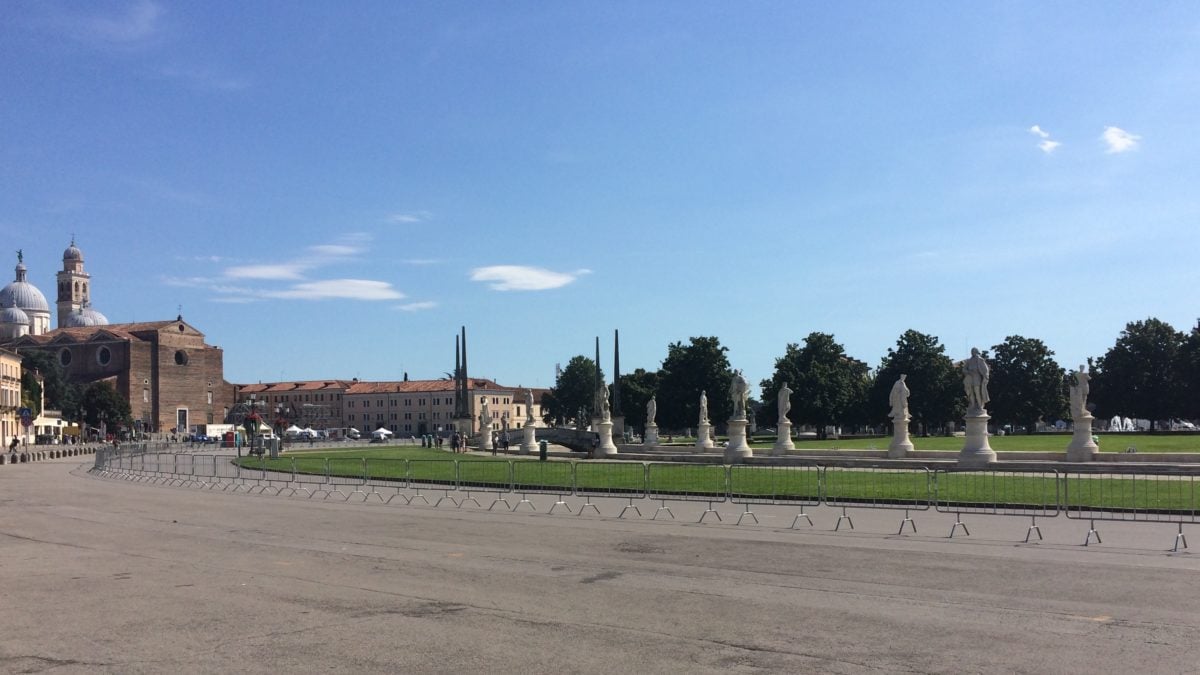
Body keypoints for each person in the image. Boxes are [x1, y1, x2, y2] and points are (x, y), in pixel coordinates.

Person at [963, 348, 990, 413]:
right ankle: (973, 405)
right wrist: (968, 372)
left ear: (976, 352)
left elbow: (985, 370)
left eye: (973, 351)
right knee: (971, 392)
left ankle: (980, 405)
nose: (972, 352)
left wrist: (985, 377)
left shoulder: (980, 360)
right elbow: (964, 369)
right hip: (970, 378)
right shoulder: (969, 361)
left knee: (977, 392)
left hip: (977, 378)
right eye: (971, 351)